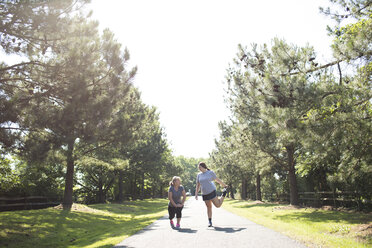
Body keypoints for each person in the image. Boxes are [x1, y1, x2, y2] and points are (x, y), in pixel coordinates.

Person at [195, 162, 228, 227]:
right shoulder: (199, 175)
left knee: (218, 205)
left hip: (211, 191)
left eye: (200, 167)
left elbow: (217, 180)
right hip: (204, 193)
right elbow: (198, 185)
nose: (199, 169)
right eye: (198, 168)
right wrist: (196, 194)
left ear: (203, 167)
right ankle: (209, 221)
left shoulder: (210, 172)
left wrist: (224, 185)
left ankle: (224, 194)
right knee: (208, 207)